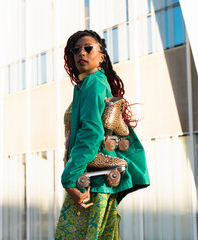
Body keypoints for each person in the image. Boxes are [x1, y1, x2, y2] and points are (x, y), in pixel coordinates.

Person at [54, 30, 150, 240]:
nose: (81, 53)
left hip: (90, 180)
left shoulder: (93, 83)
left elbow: (91, 132)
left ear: (101, 56)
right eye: (76, 50)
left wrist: (69, 179)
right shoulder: (89, 83)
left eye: (88, 49)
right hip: (91, 177)